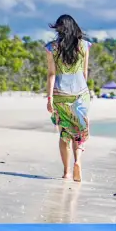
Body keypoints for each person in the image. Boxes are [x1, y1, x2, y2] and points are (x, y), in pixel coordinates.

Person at [45, 14, 91, 182]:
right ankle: (77, 161)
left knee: (65, 133)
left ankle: (66, 172)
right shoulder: (85, 46)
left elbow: (51, 74)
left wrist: (49, 98)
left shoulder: (51, 48)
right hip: (81, 94)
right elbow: (85, 73)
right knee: (79, 132)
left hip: (60, 95)